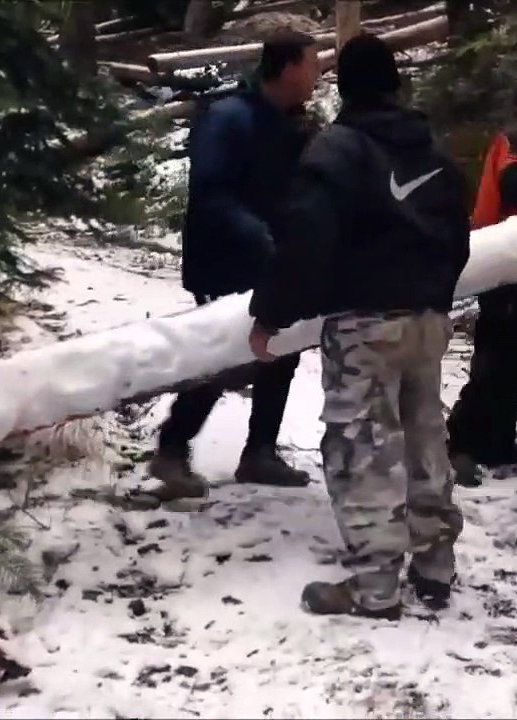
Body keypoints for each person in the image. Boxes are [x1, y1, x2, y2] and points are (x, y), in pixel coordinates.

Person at [247, 34, 472, 619]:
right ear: (395, 82)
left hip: (364, 325)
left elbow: (305, 240)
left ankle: (375, 585)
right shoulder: (436, 154)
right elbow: (458, 238)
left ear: (343, 86)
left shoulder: (336, 151)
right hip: (427, 319)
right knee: (425, 438)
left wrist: (270, 314)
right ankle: (434, 564)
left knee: (363, 449)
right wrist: (436, 300)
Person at [148, 30, 322, 499]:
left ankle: (260, 452)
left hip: (275, 257)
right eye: (313, 64)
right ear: (287, 68)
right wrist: (258, 235)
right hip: (224, 260)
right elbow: (210, 192)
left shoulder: (292, 123)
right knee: (225, 356)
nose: (318, 74)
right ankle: (171, 447)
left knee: (281, 349)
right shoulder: (227, 118)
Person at [446, 75, 517, 487]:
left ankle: (495, 440)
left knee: (510, 354)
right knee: (499, 354)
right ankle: (462, 437)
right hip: (501, 259)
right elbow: (512, 185)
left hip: (511, 261)